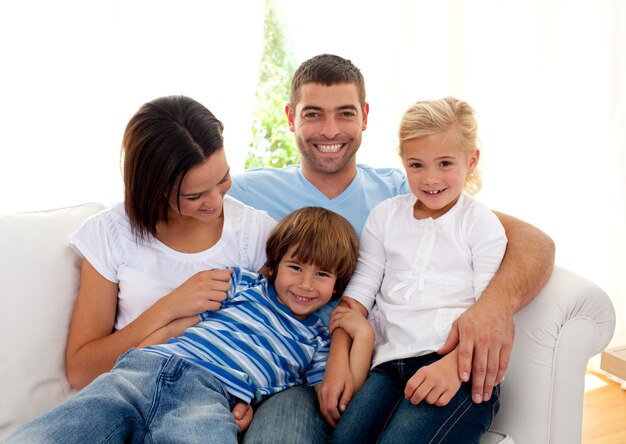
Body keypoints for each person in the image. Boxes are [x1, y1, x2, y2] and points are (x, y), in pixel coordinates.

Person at [228, 54, 555, 442]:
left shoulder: (409, 192)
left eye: (345, 113)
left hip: (402, 360)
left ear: (365, 116)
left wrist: (493, 311)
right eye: (313, 114)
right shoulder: (247, 192)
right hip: (302, 369)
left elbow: (534, 242)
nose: (330, 130)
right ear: (290, 117)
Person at [7, 207, 373, 444]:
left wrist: (363, 333)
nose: (306, 284)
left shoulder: (314, 340)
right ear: (274, 264)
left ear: (337, 285)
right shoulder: (244, 284)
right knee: (54, 433)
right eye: (295, 267)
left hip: (209, 399)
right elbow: (183, 323)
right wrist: (140, 352)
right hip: (147, 369)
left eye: (322, 275)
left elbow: (341, 393)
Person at [64, 95, 276, 429]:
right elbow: (81, 370)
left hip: (203, 402)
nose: (216, 202)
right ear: (156, 188)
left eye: (223, 180)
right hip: (125, 390)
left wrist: (249, 398)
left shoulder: (255, 233)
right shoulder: (110, 233)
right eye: (194, 196)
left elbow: (274, 338)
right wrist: (169, 308)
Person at [330, 96, 506, 443]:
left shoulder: (480, 224)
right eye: (416, 165)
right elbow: (358, 297)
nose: (430, 178)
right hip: (386, 368)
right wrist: (338, 362)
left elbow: (490, 314)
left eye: (444, 163)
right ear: (402, 162)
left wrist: (456, 366)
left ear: (471, 160)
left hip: (456, 370)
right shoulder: (385, 216)